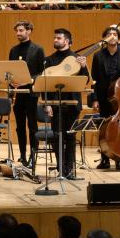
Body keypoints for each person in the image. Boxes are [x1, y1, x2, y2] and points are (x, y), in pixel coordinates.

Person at [42, 29, 89, 179]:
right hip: (55, 104)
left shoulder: (77, 58)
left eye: (59, 38)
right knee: (57, 137)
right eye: (55, 37)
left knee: (70, 137)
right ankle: (61, 169)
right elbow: (45, 83)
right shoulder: (49, 60)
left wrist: (83, 67)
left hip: (73, 103)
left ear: (67, 41)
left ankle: (70, 170)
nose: (55, 40)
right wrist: (47, 103)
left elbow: (85, 80)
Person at [90, 25, 120, 171]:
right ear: (105, 38)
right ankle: (105, 159)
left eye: (115, 34)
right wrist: (94, 98)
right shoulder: (98, 56)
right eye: (109, 34)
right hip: (103, 97)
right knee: (104, 130)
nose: (112, 36)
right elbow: (93, 79)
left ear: (119, 39)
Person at [9, 21, 44, 169]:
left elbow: (42, 72)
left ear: (29, 31)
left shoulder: (38, 49)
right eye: (17, 30)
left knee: (32, 126)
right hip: (18, 94)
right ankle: (22, 155)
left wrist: (29, 80)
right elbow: (10, 70)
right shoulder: (13, 50)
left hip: (31, 93)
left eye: (21, 30)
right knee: (19, 127)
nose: (18, 33)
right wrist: (11, 83)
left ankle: (33, 156)